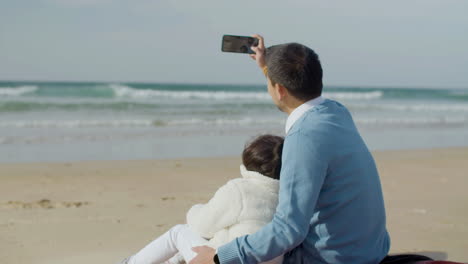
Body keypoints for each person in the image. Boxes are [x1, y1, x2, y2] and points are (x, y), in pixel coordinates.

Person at [189, 35, 391, 264]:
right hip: (370, 250)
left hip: (329, 259)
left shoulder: (303, 137)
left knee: (207, 240)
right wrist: (267, 68)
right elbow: (290, 86)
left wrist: (219, 257)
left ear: (279, 89)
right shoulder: (336, 112)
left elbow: (288, 230)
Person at [121, 134, 285, 264]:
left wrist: (194, 210)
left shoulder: (240, 190)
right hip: (254, 257)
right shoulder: (289, 198)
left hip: (223, 259)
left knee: (179, 233)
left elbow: (202, 225)